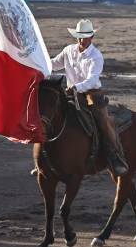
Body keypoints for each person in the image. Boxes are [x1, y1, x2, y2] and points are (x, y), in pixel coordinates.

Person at [50, 19, 129, 176]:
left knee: (103, 122)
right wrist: (39, 63)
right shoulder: (68, 50)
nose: (81, 40)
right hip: (71, 93)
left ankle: (114, 156)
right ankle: (48, 158)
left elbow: (92, 80)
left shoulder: (96, 56)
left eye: (85, 37)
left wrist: (77, 87)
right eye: (79, 36)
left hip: (92, 95)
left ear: (91, 37)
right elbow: (53, 64)